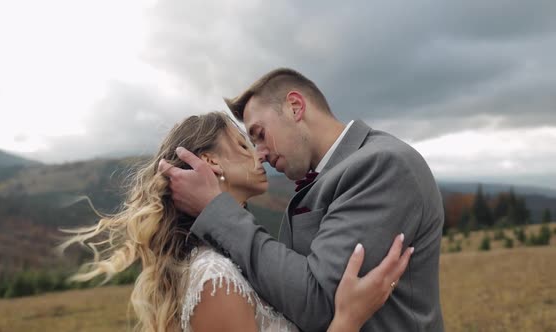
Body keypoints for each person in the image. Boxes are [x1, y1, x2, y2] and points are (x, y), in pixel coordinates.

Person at [57, 112, 413, 332]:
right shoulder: (215, 279)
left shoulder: (235, 262)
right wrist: (348, 318)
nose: (258, 153)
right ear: (211, 162)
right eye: (243, 146)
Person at [159, 68, 445, 331]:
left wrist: (216, 210)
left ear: (295, 107)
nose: (261, 153)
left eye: (259, 134)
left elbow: (318, 303)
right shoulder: (323, 179)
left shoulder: (383, 164)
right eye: (249, 143)